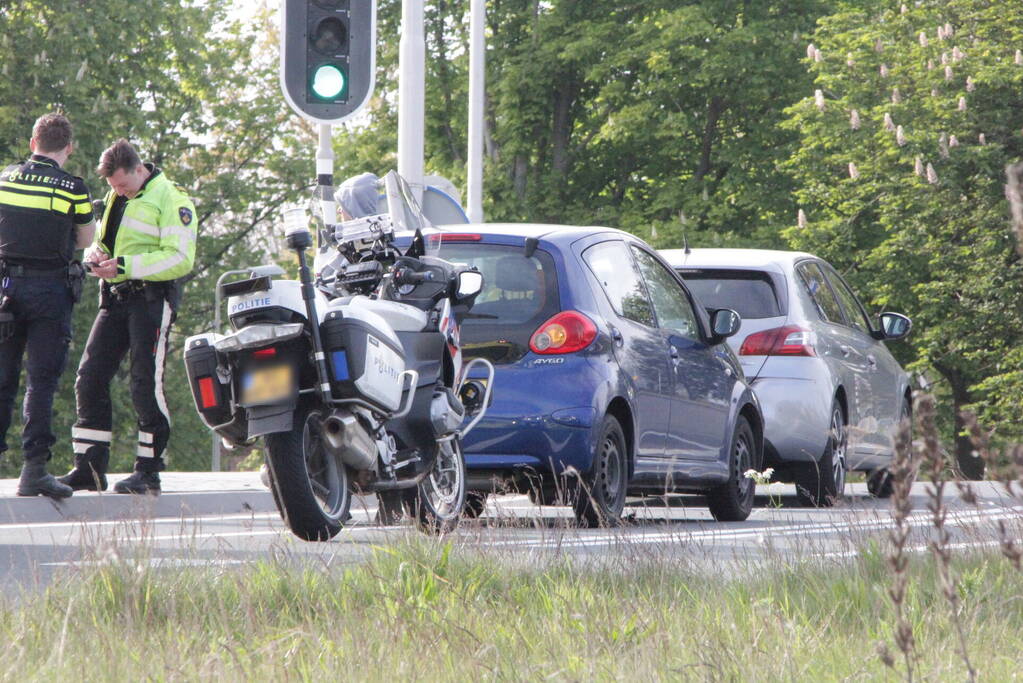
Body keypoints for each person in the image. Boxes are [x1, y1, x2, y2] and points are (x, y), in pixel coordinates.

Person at [58, 139, 196, 495]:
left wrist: (125, 266)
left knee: (143, 383)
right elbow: (106, 241)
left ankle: (148, 472)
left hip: (151, 299)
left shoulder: (171, 197)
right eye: (113, 186)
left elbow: (180, 258)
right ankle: (89, 468)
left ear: (139, 169)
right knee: (89, 377)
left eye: (122, 184)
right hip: (115, 297)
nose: (117, 191)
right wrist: (96, 257)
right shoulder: (118, 197)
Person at [0, 113, 95, 498]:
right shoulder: (72, 188)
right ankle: (33, 470)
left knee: (2, 380)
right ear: (67, 148)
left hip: (5, 288)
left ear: (31, 142)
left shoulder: (5, 178)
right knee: (40, 383)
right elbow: (85, 239)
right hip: (48, 291)